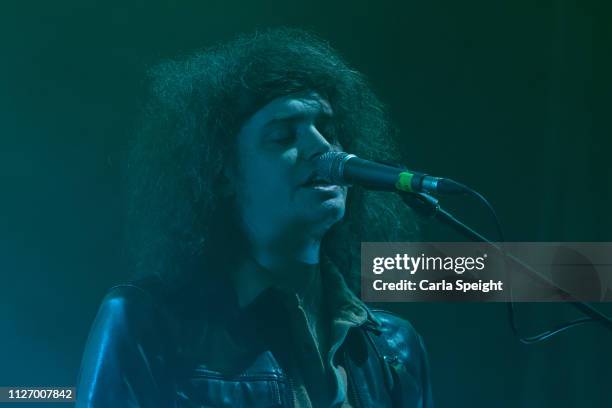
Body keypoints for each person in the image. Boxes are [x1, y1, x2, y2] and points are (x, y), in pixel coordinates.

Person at [76, 28, 433, 407]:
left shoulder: (394, 346)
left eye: (328, 130)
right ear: (223, 172)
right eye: (283, 136)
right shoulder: (144, 321)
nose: (323, 148)